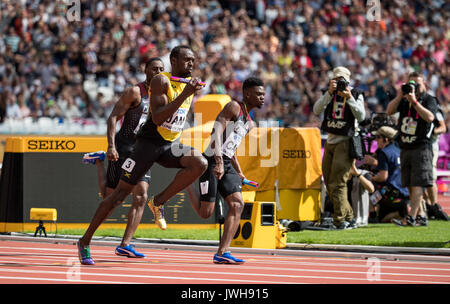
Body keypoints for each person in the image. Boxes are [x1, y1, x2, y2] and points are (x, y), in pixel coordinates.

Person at [77, 46, 207, 265]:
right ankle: (85, 241)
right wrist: (186, 94)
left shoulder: (188, 83)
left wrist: (187, 92)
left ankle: (158, 202)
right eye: (187, 60)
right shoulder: (160, 82)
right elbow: (157, 118)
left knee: (199, 163)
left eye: (194, 60)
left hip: (168, 145)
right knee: (117, 196)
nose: (192, 64)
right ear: (173, 60)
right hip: (144, 146)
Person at [80, 57, 164, 259]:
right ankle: (85, 241)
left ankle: (125, 244)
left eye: (162, 69)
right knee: (111, 199)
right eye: (154, 69)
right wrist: (110, 146)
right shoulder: (135, 92)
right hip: (124, 146)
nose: (158, 72)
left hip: (143, 149)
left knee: (141, 195)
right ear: (146, 71)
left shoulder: (163, 95)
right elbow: (113, 117)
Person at [186, 77, 265, 264]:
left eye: (263, 94)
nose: (263, 97)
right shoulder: (233, 107)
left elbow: (232, 148)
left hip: (227, 162)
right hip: (212, 160)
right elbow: (215, 133)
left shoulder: (250, 122)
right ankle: (187, 182)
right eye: (259, 94)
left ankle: (222, 252)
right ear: (247, 94)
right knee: (206, 213)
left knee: (237, 204)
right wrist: (219, 161)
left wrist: (239, 171)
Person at [313, 66, 365, 229]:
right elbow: (316, 110)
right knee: (328, 180)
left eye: (342, 80)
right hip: (330, 140)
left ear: (348, 81)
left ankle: (340, 220)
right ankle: (348, 216)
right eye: (336, 80)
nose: (339, 83)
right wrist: (329, 93)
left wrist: (349, 97)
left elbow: (361, 116)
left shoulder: (356, 94)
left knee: (338, 182)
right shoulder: (328, 93)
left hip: (345, 140)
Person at [386, 72, 438, 227]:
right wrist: (399, 95)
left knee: (417, 184)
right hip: (405, 147)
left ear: (424, 85)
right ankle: (421, 216)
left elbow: (430, 118)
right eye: (411, 84)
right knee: (408, 183)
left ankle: (411, 217)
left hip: (421, 147)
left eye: (418, 84)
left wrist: (414, 101)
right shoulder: (404, 100)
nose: (414, 87)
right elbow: (389, 111)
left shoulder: (429, 100)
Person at [368, 126, 410, 223]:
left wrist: (372, 178)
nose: (376, 140)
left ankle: (372, 214)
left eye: (378, 137)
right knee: (382, 219)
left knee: (366, 182)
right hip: (404, 193)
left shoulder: (384, 153)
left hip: (390, 195)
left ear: (385, 139)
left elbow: (383, 177)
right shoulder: (398, 149)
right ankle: (399, 213)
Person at [424, 104, 449, 221]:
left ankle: (434, 205)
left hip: (431, 147)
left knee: (430, 176)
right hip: (418, 147)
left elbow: (443, 128)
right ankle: (428, 207)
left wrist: (432, 132)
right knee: (420, 178)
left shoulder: (434, 109)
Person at [348, 159, 375, 227]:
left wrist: (358, 174)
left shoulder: (364, 173)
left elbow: (371, 189)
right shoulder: (340, 175)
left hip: (359, 220)